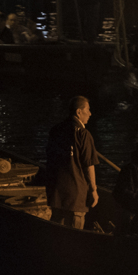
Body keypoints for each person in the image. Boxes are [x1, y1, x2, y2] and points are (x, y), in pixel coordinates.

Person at [45, 96, 99, 229]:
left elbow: (50, 159)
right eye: (88, 110)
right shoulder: (83, 134)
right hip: (76, 197)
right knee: (74, 237)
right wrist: (93, 190)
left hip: (57, 193)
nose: (90, 114)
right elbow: (88, 165)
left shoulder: (55, 130)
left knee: (57, 232)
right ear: (78, 112)